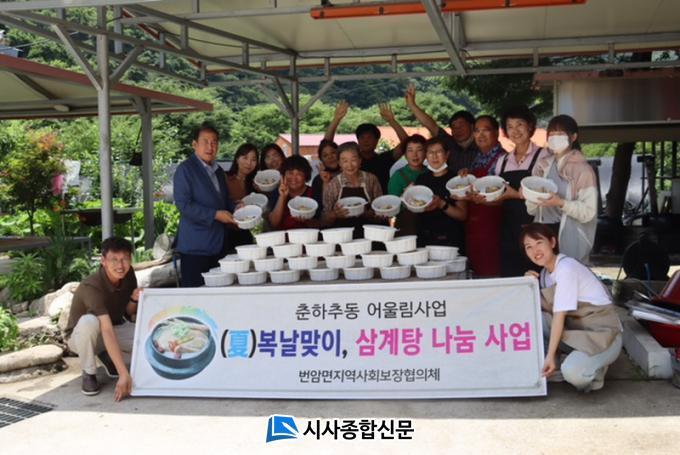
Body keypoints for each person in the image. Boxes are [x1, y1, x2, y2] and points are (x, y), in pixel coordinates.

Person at [522, 223, 622, 392]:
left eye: (539, 242)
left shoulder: (566, 268)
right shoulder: (545, 274)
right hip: (578, 334)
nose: (535, 250)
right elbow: (547, 309)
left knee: (573, 373)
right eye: (528, 247)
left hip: (605, 337)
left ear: (552, 242)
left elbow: (559, 316)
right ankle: (568, 359)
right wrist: (529, 285)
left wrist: (550, 356)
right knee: (538, 318)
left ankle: (594, 370)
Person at [65, 237, 142, 400]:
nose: (120, 265)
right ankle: (89, 372)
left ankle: (106, 355)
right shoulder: (92, 286)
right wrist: (124, 374)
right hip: (81, 337)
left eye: (125, 259)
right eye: (114, 260)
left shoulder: (128, 275)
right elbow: (106, 329)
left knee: (147, 340)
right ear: (103, 261)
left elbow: (128, 312)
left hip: (115, 327)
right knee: (89, 322)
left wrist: (134, 299)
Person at [525, 114, 598, 263]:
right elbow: (531, 210)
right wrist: (530, 195)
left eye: (560, 134)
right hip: (543, 234)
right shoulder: (542, 166)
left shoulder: (583, 170)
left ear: (573, 137)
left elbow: (588, 212)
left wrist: (560, 203)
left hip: (570, 235)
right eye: (551, 134)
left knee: (567, 272)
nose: (555, 138)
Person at [174, 123, 236, 287]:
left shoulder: (218, 171)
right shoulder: (185, 169)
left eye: (214, 142)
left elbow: (224, 201)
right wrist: (215, 215)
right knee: (195, 297)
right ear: (195, 144)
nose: (210, 147)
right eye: (205, 142)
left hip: (219, 246)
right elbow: (184, 205)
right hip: (195, 248)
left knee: (218, 295)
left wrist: (237, 208)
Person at [494, 105, 551, 277]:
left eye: (520, 124)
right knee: (510, 277)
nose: (515, 131)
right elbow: (498, 192)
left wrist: (516, 194)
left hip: (536, 229)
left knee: (537, 277)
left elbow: (547, 192)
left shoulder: (544, 156)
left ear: (530, 126)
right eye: (510, 126)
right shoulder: (502, 161)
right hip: (508, 229)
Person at [456, 115, 506, 277]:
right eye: (477, 131)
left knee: (493, 274)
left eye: (486, 130)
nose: (480, 135)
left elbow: (506, 197)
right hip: (474, 226)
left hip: (495, 227)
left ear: (496, 133)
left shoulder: (504, 159)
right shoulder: (477, 158)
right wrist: (465, 176)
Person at [324, 101, 407, 194]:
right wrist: (336, 119)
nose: (366, 141)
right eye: (362, 137)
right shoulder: (350, 160)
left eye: (370, 137)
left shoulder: (384, 159)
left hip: (381, 202)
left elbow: (406, 143)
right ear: (358, 140)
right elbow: (326, 146)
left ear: (377, 140)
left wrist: (392, 121)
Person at [404, 83, 479, 175]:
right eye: (454, 127)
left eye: (461, 126)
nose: (457, 130)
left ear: (472, 126)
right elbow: (430, 125)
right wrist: (412, 105)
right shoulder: (448, 143)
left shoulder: (482, 146)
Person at [322, 141, 384, 238]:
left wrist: (370, 214)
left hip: (369, 235)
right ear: (339, 163)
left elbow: (381, 209)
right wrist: (335, 214)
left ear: (360, 161)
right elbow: (324, 220)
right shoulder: (334, 184)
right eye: (345, 161)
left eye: (353, 160)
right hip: (342, 237)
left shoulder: (371, 179)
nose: (350, 165)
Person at [414, 138, 467, 249]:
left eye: (439, 152)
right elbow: (414, 207)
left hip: (450, 240)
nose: (434, 156)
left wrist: (441, 204)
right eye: (430, 152)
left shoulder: (456, 180)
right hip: (425, 238)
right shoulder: (421, 179)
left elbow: (462, 215)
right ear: (426, 156)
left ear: (447, 155)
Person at [388, 134, 427, 236]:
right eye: (410, 150)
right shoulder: (397, 177)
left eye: (419, 150)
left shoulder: (431, 173)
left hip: (429, 224)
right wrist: (404, 197)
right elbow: (392, 207)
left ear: (425, 153)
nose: (415, 155)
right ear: (405, 154)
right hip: (407, 227)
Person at [269, 155, 322, 230]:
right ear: (284, 175)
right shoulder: (277, 192)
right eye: (290, 173)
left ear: (306, 176)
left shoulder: (314, 192)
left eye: (299, 174)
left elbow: (321, 223)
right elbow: (274, 223)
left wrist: (307, 220)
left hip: (308, 235)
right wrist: (282, 197)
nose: (294, 178)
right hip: (282, 236)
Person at [224, 143, 259, 251]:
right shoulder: (225, 178)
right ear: (237, 159)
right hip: (225, 233)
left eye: (253, 160)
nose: (249, 163)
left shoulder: (254, 184)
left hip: (244, 232)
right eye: (245, 158)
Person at [310, 139, 340, 211]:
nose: (330, 157)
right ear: (321, 160)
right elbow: (319, 209)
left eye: (333, 153)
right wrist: (326, 182)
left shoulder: (349, 174)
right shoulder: (318, 180)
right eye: (325, 155)